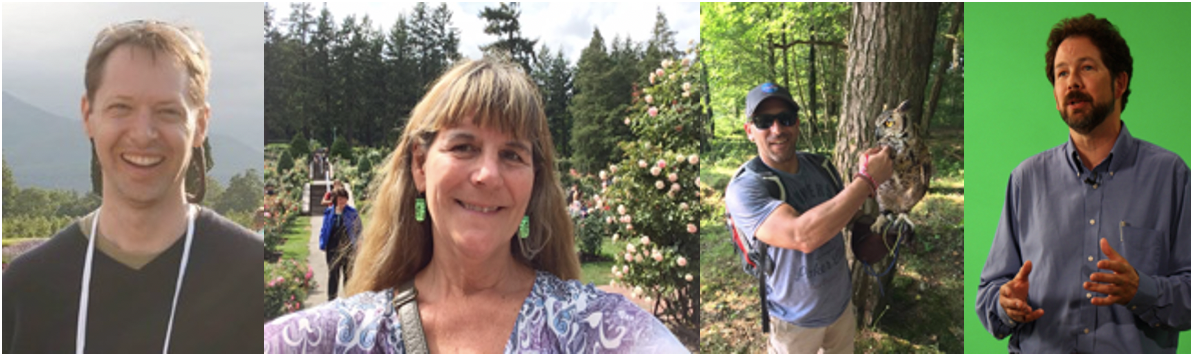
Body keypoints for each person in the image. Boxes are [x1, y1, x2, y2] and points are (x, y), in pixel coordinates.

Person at [262, 54, 686, 354]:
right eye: (464, 146)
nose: (487, 174)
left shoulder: (595, 331)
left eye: (512, 154)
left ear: (533, 182)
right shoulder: (344, 337)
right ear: (420, 165)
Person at [2, 20, 263, 353]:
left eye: (168, 112)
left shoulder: (250, 278)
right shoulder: (27, 291)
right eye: (121, 108)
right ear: (88, 115)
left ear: (201, 125)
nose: (143, 133)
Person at [974, 14, 1191, 353]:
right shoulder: (1025, 180)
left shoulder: (1169, 176)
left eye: (1086, 68)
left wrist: (1142, 290)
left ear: (1119, 82)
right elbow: (989, 293)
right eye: (1062, 73)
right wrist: (1005, 304)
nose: (1072, 82)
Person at [723, 82, 893, 354]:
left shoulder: (821, 166)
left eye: (785, 119)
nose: (777, 129)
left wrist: (885, 223)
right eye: (764, 121)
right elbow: (801, 236)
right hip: (793, 322)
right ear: (749, 131)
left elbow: (848, 216)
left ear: (797, 124)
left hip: (840, 308)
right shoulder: (746, 187)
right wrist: (867, 180)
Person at [320, 187, 359, 300]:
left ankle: (350, 298)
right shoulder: (329, 212)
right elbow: (324, 228)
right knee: (333, 274)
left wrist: (359, 243)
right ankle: (332, 299)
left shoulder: (352, 213)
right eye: (339, 199)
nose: (342, 201)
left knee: (348, 274)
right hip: (332, 247)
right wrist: (322, 243)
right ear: (335, 200)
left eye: (344, 199)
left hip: (348, 247)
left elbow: (358, 229)